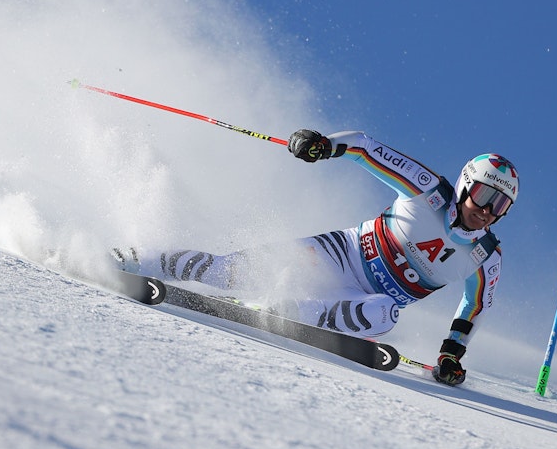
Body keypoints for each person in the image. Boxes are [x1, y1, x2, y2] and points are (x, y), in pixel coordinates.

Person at [113, 129, 518, 386]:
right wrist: (324, 146)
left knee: (386, 313)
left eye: (499, 205)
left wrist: (452, 353)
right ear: (466, 185)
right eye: (484, 195)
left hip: (364, 301)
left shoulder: (486, 255)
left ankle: (283, 310)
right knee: (228, 271)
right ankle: (138, 259)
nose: (487, 210)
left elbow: (476, 305)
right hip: (341, 255)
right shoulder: (428, 190)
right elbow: (365, 147)